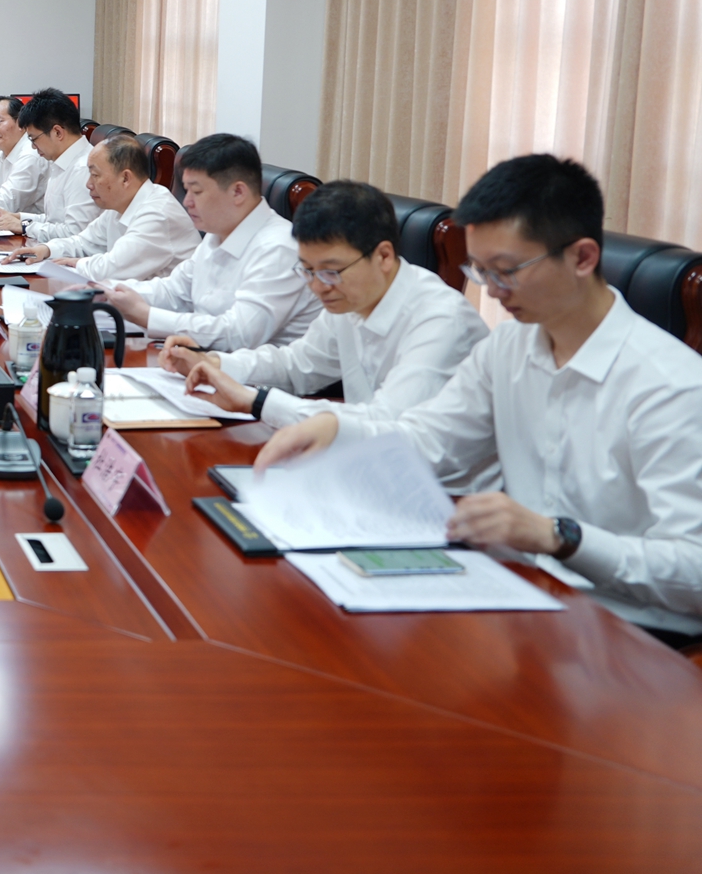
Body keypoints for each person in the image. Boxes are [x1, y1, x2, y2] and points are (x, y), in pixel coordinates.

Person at [257, 155, 702, 643]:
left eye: (506, 271)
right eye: (481, 271)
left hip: (635, 631)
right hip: (525, 594)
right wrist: (335, 428)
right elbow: (431, 439)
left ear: (582, 258)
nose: (491, 292)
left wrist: (561, 536)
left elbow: (693, 571)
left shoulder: (670, 386)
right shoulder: (507, 349)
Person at [159, 181, 488, 440]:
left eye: (331, 271)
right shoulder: (348, 297)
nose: (317, 286)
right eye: (307, 270)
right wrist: (214, 363)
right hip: (367, 462)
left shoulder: (440, 320)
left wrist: (256, 402)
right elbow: (297, 365)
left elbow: (388, 421)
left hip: (449, 492)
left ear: (384, 256)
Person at [99, 133, 323, 349]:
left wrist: (148, 316)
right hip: (208, 361)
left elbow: (240, 334)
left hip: (256, 371)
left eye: (196, 192)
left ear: (238, 192)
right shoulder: (217, 233)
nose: (187, 202)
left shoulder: (279, 248)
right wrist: (103, 291)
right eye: (186, 190)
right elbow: (174, 291)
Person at [9, 134, 195, 282]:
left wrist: (80, 263)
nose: (88, 184)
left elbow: (113, 269)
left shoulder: (157, 213)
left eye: (95, 175)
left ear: (125, 178)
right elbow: (83, 242)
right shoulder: (119, 205)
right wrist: (46, 249)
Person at [0, 88, 99, 242]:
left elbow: (75, 233)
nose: (33, 146)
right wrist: (20, 217)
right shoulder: (61, 162)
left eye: (34, 139)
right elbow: (54, 219)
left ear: (58, 132)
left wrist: (25, 226)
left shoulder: (83, 169)